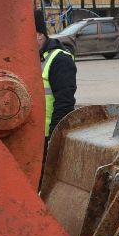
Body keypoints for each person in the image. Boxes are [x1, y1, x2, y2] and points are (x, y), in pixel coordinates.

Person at [36, 8, 76, 145]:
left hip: (47, 136)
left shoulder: (59, 60)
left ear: (39, 35)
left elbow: (64, 103)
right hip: (31, 134)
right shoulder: (29, 59)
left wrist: (54, 136)